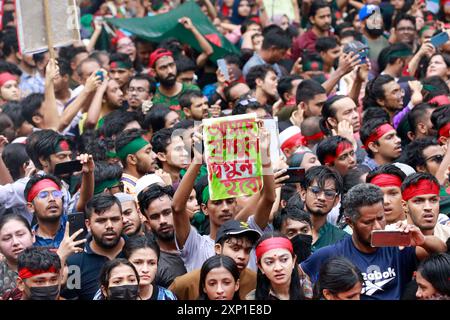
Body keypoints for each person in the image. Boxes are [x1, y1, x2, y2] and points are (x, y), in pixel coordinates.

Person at [300, 183, 446, 300]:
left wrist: (422, 240)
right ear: (351, 223)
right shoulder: (331, 254)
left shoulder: (399, 245)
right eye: (368, 222)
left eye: (380, 218)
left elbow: (442, 253)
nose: (377, 226)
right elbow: (298, 277)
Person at [169, 219, 260, 300]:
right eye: (235, 248)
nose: (242, 256)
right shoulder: (186, 283)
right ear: (218, 249)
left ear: (237, 284)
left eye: (247, 250)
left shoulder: (256, 281)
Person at [62, 194, 126, 300]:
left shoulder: (137, 251)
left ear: (122, 220)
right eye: (101, 221)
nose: (109, 225)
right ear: (88, 224)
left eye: (115, 219)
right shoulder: (75, 264)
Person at [137, 184, 188, 288]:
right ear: (147, 224)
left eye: (167, 213)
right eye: (155, 217)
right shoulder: (151, 263)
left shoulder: (200, 243)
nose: (162, 221)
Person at [299, 166, 348, 252]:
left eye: (329, 194)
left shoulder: (343, 240)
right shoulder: (287, 230)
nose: (322, 198)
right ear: (303, 194)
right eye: (315, 191)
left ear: (336, 200)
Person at [246, 233, 307, 300]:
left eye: (284, 260)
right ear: (260, 267)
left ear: (293, 261)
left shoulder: (310, 291)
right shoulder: (252, 298)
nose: (278, 268)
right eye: (269, 262)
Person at [402, 173, 450, 242]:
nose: (428, 207)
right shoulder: (391, 237)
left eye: (433, 200)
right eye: (418, 201)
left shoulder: (448, 235)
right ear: (404, 206)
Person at [23, 175, 66, 248]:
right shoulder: (28, 241)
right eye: (43, 195)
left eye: (56, 194)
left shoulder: (73, 225)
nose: (52, 199)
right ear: (31, 207)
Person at [0, 214, 34, 297]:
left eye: (20, 234)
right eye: (7, 238)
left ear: (33, 236)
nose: (15, 242)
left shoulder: (49, 263)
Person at [115, 128, 157, 195]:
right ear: (132, 159)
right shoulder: (127, 191)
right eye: (148, 152)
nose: (155, 155)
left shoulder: (145, 182)